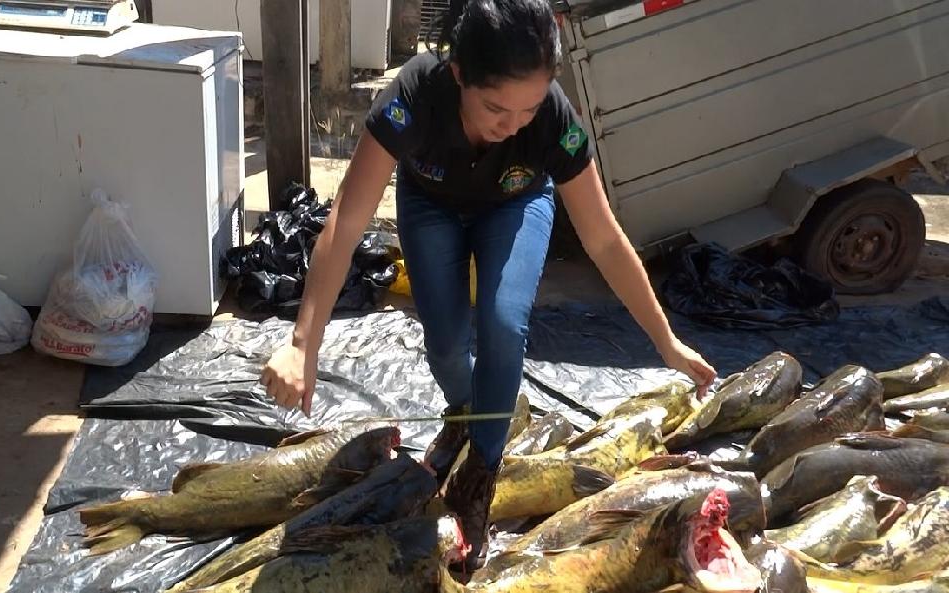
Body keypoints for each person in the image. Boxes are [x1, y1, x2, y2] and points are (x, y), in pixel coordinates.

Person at [260, 0, 717, 569]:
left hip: (516, 203)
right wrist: (304, 344)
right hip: (431, 202)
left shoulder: (552, 119)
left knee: (503, 323)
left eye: (527, 110)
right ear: (458, 76)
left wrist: (665, 341)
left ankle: (481, 473)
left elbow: (603, 239)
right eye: (496, 108)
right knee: (446, 341)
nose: (512, 125)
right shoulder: (411, 98)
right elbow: (346, 224)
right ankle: (463, 412)